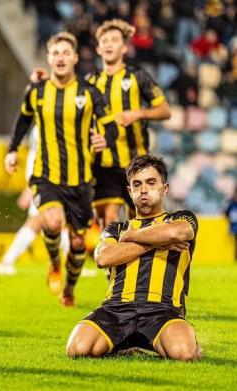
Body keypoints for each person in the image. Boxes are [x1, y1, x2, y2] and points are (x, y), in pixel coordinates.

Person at [4, 31, 113, 307]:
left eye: (66, 53)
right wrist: (12, 150)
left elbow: (109, 122)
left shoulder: (89, 93)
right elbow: (22, 121)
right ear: (48, 58)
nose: (61, 58)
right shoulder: (38, 91)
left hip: (80, 180)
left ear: (75, 58)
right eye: (55, 53)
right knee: (51, 223)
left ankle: (69, 288)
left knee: (78, 244)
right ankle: (54, 262)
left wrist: (106, 138)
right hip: (45, 176)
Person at [31, 19, 171, 230]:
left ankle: (140, 260)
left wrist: (138, 113)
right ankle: (112, 261)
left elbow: (165, 110)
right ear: (98, 48)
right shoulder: (90, 81)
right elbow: (64, 91)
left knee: (143, 223)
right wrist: (44, 80)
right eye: (104, 40)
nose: (108, 44)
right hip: (104, 166)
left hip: (137, 162)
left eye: (114, 40)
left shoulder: (137, 77)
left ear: (124, 47)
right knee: (110, 221)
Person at [66, 154, 202, 361]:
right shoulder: (116, 228)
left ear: (164, 188)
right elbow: (103, 258)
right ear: (130, 192)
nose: (144, 189)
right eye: (137, 184)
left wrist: (132, 237)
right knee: (78, 349)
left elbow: (176, 234)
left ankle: (179, 337)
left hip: (163, 310)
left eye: (151, 183)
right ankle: (123, 344)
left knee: (184, 353)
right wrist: (155, 243)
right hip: (116, 309)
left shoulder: (181, 218)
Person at [0, 128, 70, 275]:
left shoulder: (47, 125)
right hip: (44, 183)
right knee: (36, 222)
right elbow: (38, 158)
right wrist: (31, 187)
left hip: (52, 182)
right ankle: (6, 262)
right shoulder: (43, 128)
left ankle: (74, 266)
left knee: (62, 222)